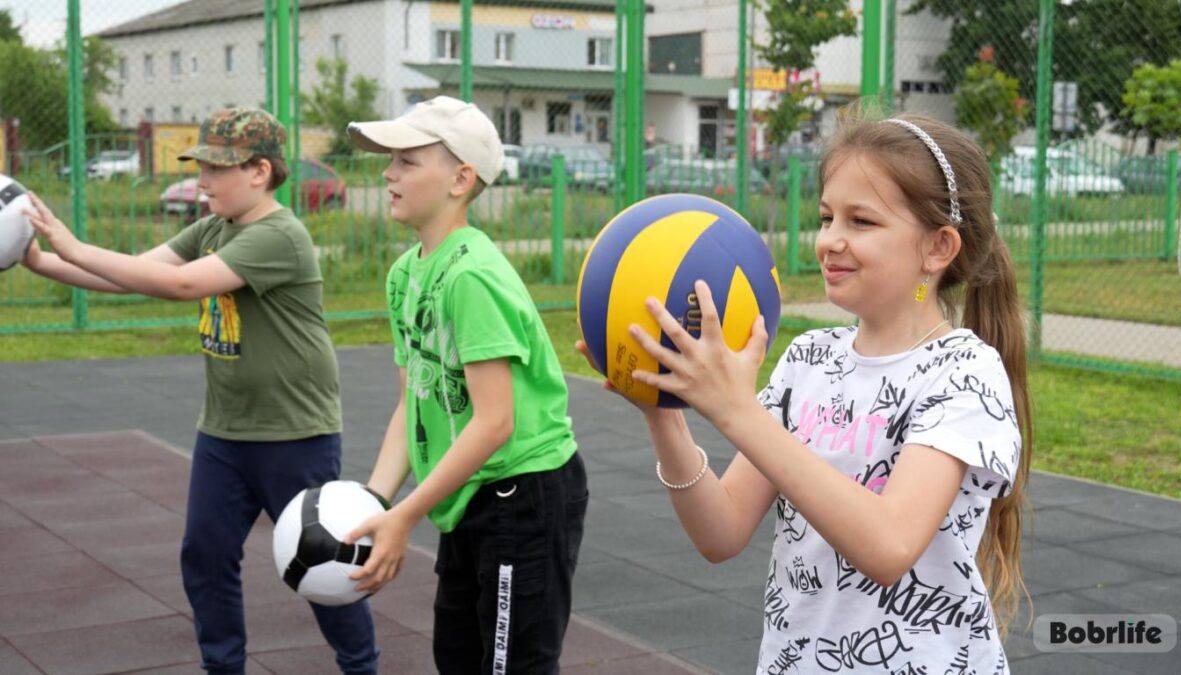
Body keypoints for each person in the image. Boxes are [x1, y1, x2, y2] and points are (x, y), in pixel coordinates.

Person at [578, 112, 1032, 674]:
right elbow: (720, 533)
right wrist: (663, 409)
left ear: (937, 248)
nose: (829, 240)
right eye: (826, 217)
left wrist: (740, 412)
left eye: (861, 221)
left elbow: (889, 547)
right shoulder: (809, 359)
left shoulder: (963, 372)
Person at [22, 107, 378, 675]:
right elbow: (136, 271)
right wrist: (38, 258)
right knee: (205, 556)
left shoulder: (279, 235)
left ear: (260, 171)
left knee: (321, 566)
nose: (203, 180)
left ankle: (361, 665)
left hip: (295, 434)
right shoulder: (215, 226)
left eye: (217, 168)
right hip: (224, 432)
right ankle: (223, 667)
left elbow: (181, 284)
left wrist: (71, 243)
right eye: (201, 167)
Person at [341, 96, 588, 674]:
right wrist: (375, 502)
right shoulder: (405, 274)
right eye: (390, 160)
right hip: (466, 495)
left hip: (522, 492)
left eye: (406, 160)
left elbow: (495, 422)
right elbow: (413, 401)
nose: (388, 172)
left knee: (511, 666)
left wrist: (404, 516)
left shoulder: (472, 276)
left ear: (460, 178)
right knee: (457, 657)